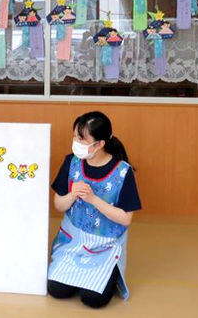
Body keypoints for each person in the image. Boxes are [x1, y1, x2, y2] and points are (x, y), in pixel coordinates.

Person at [47, 111, 141, 308]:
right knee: (56, 290)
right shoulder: (71, 162)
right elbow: (58, 204)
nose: (76, 142)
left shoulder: (123, 171)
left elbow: (125, 219)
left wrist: (93, 199)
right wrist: (72, 195)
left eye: (81, 138)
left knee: (93, 299)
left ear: (99, 144)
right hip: (72, 242)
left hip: (105, 247)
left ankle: (110, 273)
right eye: (75, 136)